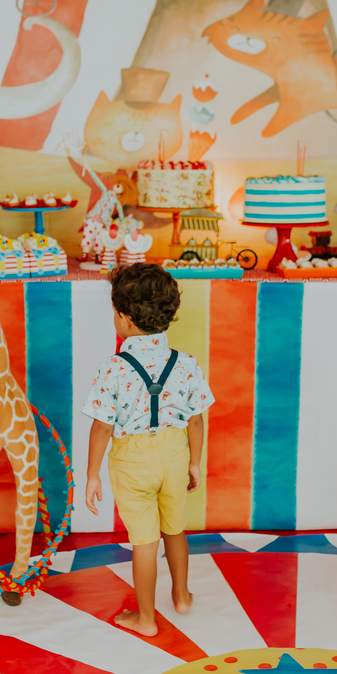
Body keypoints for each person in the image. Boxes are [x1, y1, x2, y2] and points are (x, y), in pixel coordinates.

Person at [83, 263, 212, 636]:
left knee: (144, 541)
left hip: (131, 460)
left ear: (123, 318)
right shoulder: (186, 363)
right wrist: (195, 462)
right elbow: (197, 420)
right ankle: (182, 594)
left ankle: (146, 618)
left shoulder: (113, 368)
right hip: (175, 454)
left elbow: (102, 427)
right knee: (175, 529)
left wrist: (92, 475)